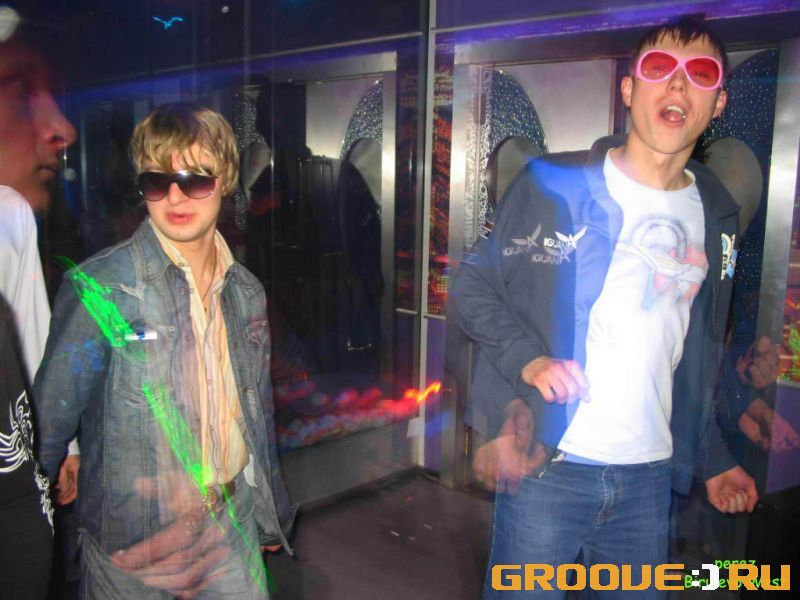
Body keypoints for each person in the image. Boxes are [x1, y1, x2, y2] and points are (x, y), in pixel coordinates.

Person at [452, 17, 757, 598]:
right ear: (629, 89)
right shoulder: (553, 184)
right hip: (550, 465)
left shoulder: (717, 213)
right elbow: (475, 285)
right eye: (659, 68)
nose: (677, 84)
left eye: (699, 73)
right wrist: (523, 371)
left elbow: (691, 352)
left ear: (717, 103)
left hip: (649, 479)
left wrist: (714, 456)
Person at [34, 102, 295, 599]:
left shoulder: (246, 293)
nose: (174, 196)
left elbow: (255, 416)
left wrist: (270, 514)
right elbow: (48, 424)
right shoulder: (102, 287)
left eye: (194, 179)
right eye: (157, 181)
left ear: (225, 179)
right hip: (135, 544)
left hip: (230, 522)